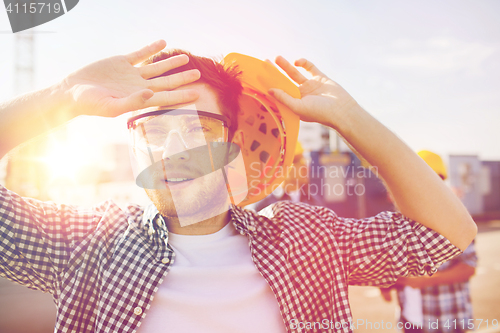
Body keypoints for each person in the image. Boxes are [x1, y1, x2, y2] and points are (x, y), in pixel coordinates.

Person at [0, 40, 477, 333]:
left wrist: (347, 119)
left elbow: (447, 233)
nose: (173, 151)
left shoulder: (305, 239)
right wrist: (62, 97)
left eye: (196, 130)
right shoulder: (88, 245)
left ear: (234, 144)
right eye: (155, 132)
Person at [380, 150, 478, 333]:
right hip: (409, 321)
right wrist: (386, 282)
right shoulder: (401, 221)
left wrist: (426, 281)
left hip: (446, 321)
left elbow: (469, 266)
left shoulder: (456, 219)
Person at [254, 141, 324, 211]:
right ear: (280, 167)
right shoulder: (263, 205)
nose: (306, 168)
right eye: (298, 161)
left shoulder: (315, 203)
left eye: (305, 161)